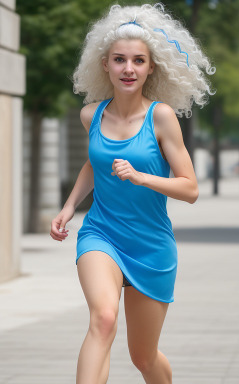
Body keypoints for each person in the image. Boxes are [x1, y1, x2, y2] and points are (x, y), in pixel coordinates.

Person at [50, 3, 216, 383]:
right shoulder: (91, 115)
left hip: (150, 245)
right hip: (101, 233)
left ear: (151, 67)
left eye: (138, 61)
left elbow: (189, 189)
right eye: (119, 60)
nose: (128, 69)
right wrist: (69, 206)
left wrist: (142, 177)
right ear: (104, 64)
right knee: (103, 319)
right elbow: (95, 163)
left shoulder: (161, 118)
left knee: (143, 357)